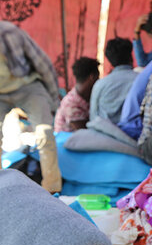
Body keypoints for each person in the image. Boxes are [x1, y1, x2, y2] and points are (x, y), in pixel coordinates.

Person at [0, 21, 61, 193]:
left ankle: (52, 190)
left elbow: (44, 65)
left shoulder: (10, 33)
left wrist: (52, 101)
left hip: (26, 86)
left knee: (45, 133)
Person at [89, 37, 137, 124]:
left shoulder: (100, 84)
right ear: (131, 57)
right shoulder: (141, 80)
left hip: (106, 134)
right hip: (135, 135)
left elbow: (93, 117)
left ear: (110, 61)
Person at [54, 57, 99, 132]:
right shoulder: (71, 102)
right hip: (68, 142)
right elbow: (83, 131)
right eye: (98, 77)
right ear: (92, 77)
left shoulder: (86, 97)